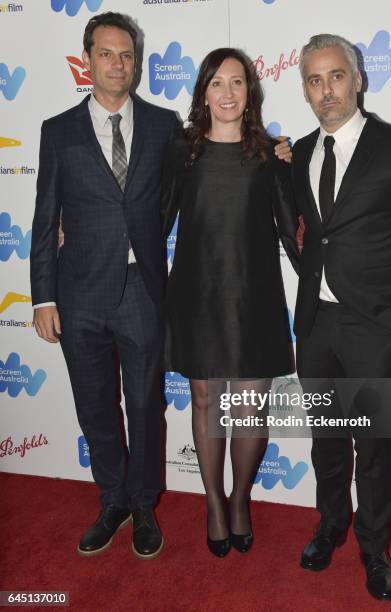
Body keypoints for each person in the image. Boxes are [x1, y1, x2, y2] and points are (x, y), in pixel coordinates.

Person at [292, 34, 391, 600]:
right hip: (317, 325)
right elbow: (306, 234)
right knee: (326, 439)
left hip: (378, 327)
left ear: (358, 80)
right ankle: (331, 523)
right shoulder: (301, 152)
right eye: (314, 80)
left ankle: (374, 547)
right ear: (304, 89)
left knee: (375, 447)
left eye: (336, 76)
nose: (326, 89)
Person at [30, 12, 181, 560]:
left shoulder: (166, 125)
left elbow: (185, 188)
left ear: (135, 62)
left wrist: (274, 151)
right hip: (79, 295)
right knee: (95, 406)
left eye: (127, 55)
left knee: (144, 405)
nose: (118, 64)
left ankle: (144, 505)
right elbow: (45, 217)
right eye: (107, 54)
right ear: (88, 59)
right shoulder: (57, 130)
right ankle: (112, 500)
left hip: (143, 287)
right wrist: (42, 296)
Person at [162, 47, 300, 557]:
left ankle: (240, 497)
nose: (227, 93)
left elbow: (293, 232)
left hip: (255, 296)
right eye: (216, 83)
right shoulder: (181, 151)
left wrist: (332, 287)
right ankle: (213, 502)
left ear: (250, 93)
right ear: (202, 91)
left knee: (247, 408)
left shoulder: (271, 153)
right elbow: (152, 220)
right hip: (196, 294)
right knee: (205, 400)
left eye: (237, 83)